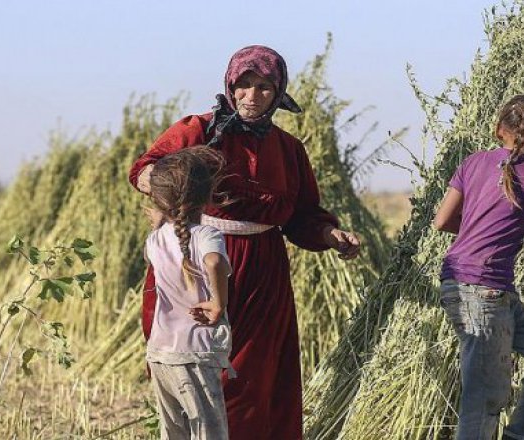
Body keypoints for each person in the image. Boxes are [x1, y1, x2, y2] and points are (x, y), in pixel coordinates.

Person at [129, 45, 361, 440]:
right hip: (200, 261)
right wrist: (170, 195)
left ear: (279, 92)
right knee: (200, 365)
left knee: (255, 375)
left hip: (263, 273)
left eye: (264, 87)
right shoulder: (198, 130)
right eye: (244, 85)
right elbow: (144, 170)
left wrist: (328, 234)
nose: (252, 96)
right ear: (230, 86)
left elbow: (303, 215)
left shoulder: (289, 149)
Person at [433, 94, 524, 440]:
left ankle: (522, 435)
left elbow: (442, 222)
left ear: (499, 131)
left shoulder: (472, 163)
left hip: (466, 285)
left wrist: (479, 228)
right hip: (484, 292)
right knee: (484, 395)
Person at [143, 146, 233, 440]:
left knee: (174, 432)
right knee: (208, 431)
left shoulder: (154, 239)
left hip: (160, 352)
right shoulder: (207, 235)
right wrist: (218, 303)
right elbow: (214, 261)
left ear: (158, 199)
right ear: (207, 196)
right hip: (195, 352)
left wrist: (159, 221)